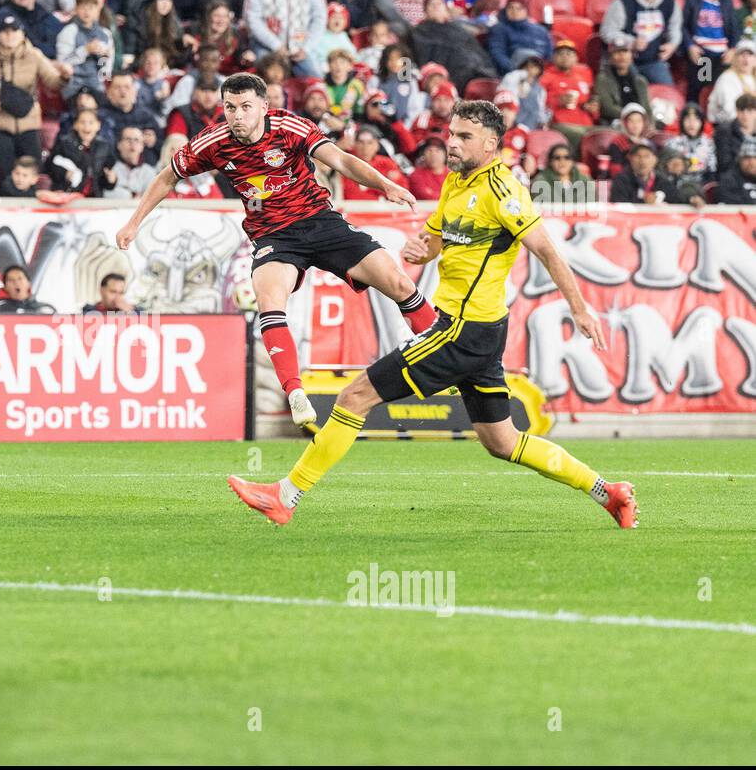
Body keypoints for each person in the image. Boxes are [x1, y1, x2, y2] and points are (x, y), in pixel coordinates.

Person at [228, 99, 638, 531]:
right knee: (502, 441)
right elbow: (440, 236)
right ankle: (607, 492)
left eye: (464, 137)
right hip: (477, 331)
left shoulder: (504, 192)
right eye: (450, 134)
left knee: (354, 397)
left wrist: (579, 309)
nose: (452, 144)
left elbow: (547, 251)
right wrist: (422, 248)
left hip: (464, 331)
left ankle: (285, 496)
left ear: (491, 143)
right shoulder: (456, 183)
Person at [115, 73, 436, 429]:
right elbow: (167, 177)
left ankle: (446, 357)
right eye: (230, 107)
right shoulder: (214, 141)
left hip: (321, 222)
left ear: (264, 107)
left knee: (399, 284)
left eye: (246, 107)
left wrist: (385, 184)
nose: (237, 115)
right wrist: (134, 223)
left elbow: (341, 161)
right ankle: (296, 392)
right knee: (269, 301)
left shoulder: (288, 126)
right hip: (273, 235)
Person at [0, 13, 71, 180]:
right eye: (5, 31)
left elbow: (53, 82)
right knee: (4, 173)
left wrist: (64, 76)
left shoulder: (34, 55)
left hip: (28, 121)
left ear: (22, 34)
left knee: (34, 171)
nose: (10, 35)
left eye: (14, 31)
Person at [599, 0, 682, 86]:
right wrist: (631, 42)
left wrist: (672, 44)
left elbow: (675, 28)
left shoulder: (670, 2)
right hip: (626, 60)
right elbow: (607, 31)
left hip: (654, 61)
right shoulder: (622, 2)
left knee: (668, 92)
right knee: (632, 91)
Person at [682, 0, 738, 103]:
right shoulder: (693, 0)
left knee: (721, 87)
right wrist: (690, 46)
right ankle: (696, 115)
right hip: (703, 53)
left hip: (722, 54)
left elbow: (734, 28)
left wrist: (733, 49)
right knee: (701, 86)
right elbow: (683, 26)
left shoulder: (726, 2)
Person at [488, 0, 553, 76]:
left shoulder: (541, 31)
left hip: (540, 75)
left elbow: (549, 57)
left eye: (519, 8)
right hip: (511, 75)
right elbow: (497, 54)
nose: (514, 11)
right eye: (511, 7)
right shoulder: (499, 29)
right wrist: (517, 72)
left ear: (526, 10)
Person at [610, 140, 697, 203]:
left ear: (655, 160)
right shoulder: (621, 180)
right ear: (630, 159)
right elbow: (619, 205)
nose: (642, 161)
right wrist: (643, 201)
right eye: (638, 156)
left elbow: (677, 198)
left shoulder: (661, 180)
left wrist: (691, 199)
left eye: (647, 156)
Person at [595, 34, 652, 123]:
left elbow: (647, 108)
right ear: (610, 57)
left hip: (639, 124)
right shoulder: (603, 79)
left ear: (631, 56)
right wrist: (632, 116)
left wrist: (650, 125)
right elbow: (606, 108)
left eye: (625, 51)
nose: (622, 56)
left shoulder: (641, 81)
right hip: (614, 123)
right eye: (617, 52)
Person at [705, 37, 756, 125]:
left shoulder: (753, 77)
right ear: (735, 58)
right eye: (742, 54)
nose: (746, 59)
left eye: (750, 55)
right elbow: (729, 111)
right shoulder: (727, 78)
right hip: (727, 126)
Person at [101, 125, 159, 198]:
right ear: (119, 145)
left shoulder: (149, 172)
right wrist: (131, 195)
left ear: (142, 146)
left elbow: (152, 199)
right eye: (128, 139)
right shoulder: (110, 168)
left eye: (136, 140)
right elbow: (106, 194)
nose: (132, 143)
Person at [715, 92, 756, 173]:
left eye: (750, 110)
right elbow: (724, 163)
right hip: (733, 178)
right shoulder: (724, 132)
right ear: (736, 111)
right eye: (741, 110)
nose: (745, 115)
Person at [717, 137, 756, 203]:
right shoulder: (728, 180)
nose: (751, 163)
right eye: (747, 157)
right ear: (740, 160)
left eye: (755, 158)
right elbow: (726, 199)